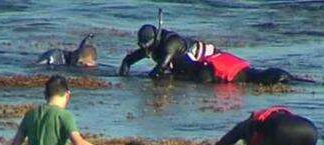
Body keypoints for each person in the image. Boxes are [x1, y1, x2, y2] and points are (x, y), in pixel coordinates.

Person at [119, 23, 299, 85]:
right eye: (143, 47)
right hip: (199, 69)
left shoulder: (170, 44)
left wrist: (140, 81)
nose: (145, 51)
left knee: (251, 77)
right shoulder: (151, 46)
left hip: (210, 65)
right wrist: (123, 74)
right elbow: (129, 60)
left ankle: (280, 77)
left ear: (156, 40)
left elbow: (159, 70)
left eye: (147, 46)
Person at [213, 107, 318, 145]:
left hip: (281, 130)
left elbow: (228, 139)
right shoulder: (269, 118)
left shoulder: (247, 125)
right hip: (311, 129)